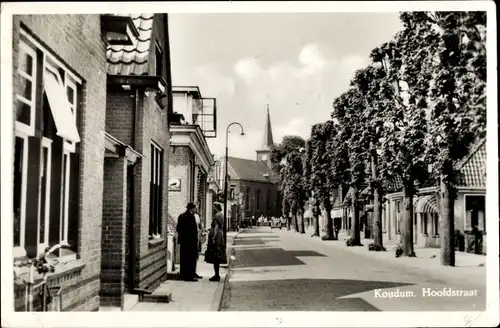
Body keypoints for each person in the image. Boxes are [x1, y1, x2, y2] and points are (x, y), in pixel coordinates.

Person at [176, 202, 199, 282]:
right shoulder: (191, 217)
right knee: (190, 259)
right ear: (191, 208)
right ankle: (189, 276)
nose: (196, 210)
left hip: (184, 242)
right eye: (195, 208)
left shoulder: (181, 216)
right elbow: (193, 230)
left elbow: (178, 229)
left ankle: (184, 274)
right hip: (190, 242)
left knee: (184, 258)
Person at [205, 203, 227, 281]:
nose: (213, 208)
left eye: (214, 207)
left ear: (217, 207)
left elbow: (216, 227)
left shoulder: (217, 215)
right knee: (217, 256)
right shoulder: (221, 214)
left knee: (215, 256)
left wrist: (213, 237)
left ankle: (216, 275)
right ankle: (216, 274)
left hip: (217, 237)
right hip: (220, 236)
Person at [193, 207, 203, 279]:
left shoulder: (196, 216)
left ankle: (194, 271)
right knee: (194, 256)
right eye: (195, 208)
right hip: (195, 238)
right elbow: (200, 227)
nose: (196, 210)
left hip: (196, 238)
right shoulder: (196, 216)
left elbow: (200, 226)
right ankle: (193, 272)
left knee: (195, 256)